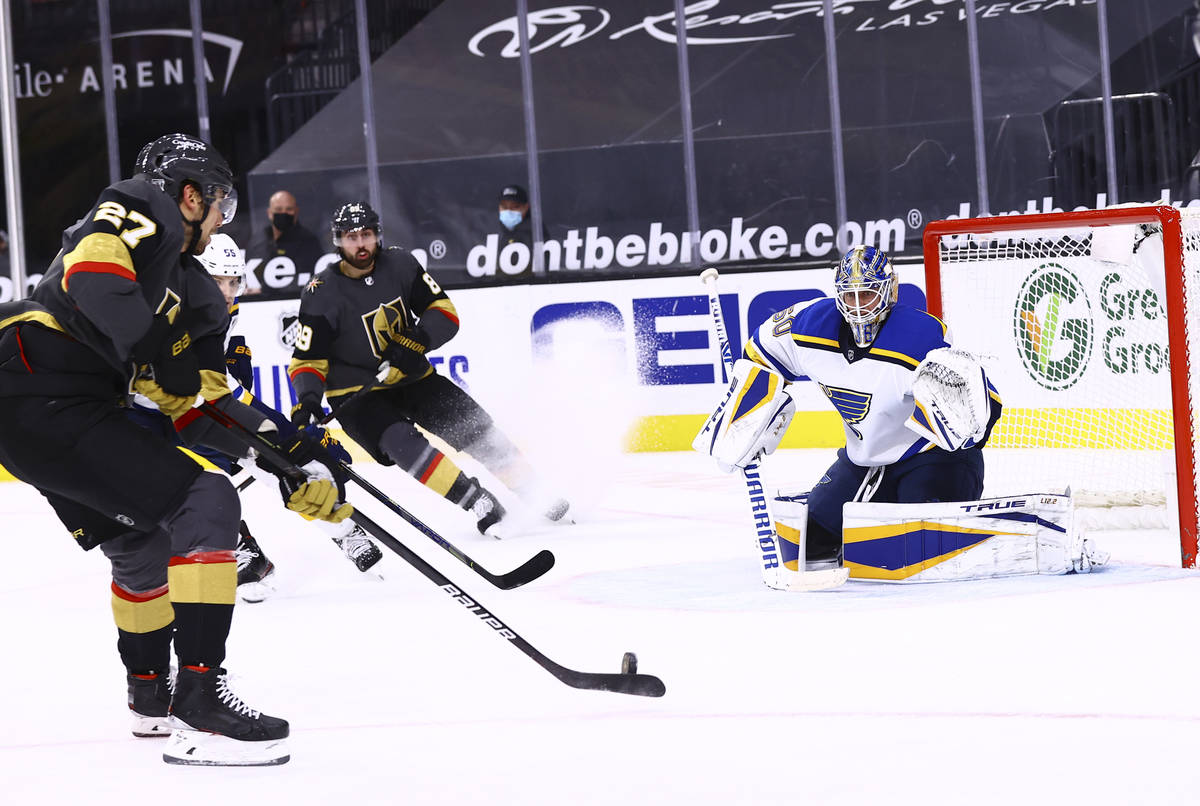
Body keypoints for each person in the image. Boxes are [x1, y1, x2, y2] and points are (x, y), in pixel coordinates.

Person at [0, 133, 352, 766]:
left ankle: (151, 703)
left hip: (47, 410)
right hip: (39, 386)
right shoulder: (145, 204)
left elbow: (200, 407)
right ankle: (201, 702)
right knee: (207, 500)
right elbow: (93, 277)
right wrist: (152, 350)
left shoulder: (192, 295)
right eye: (219, 204)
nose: (222, 220)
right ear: (190, 193)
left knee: (142, 546)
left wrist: (291, 454)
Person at [698, 245, 1003, 569]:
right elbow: (759, 355)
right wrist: (746, 410)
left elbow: (984, 405)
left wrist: (963, 421)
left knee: (918, 550)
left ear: (890, 291)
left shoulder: (920, 337)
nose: (858, 307)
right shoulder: (808, 326)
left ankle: (948, 515)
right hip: (864, 463)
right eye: (850, 296)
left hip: (933, 459)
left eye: (868, 294)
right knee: (807, 545)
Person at [288, 201, 570, 537]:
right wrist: (307, 400)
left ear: (377, 235)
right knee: (401, 442)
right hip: (356, 394)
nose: (360, 244)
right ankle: (476, 500)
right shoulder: (322, 293)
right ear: (338, 241)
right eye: (351, 237)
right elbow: (308, 359)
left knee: (474, 426)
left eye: (366, 234)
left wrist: (417, 339)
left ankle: (533, 489)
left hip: (412, 376)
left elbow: (445, 312)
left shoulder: (401, 264)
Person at [193, 232, 384, 597]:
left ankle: (344, 531)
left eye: (234, 281)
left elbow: (227, 367)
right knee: (188, 485)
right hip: (167, 411)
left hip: (219, 398)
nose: (229, 291)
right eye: (219, 281)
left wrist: (287, 439)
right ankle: (241, 551)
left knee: (283, 465)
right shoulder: (176, 303)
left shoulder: (223, 306)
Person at [245, 189, 326, 298]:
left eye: (289, 209)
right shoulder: (258, 241)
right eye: (278, 209)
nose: (283, 213)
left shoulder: (309, 242)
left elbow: (314, 281)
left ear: (296, 211)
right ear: (269, 213)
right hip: (260, 302)